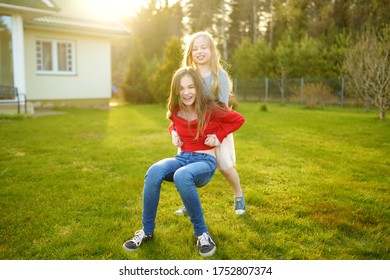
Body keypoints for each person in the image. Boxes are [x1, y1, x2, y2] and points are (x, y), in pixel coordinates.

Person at [123, 67, 245, 257]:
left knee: (182, 175)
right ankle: (146, 231)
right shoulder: (176, 110)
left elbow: (238, 119)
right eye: (182, 88)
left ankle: (202, 233)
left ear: (197, 87)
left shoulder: (211, 107)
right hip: (183, 158)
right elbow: (173, 124)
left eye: (191, 87)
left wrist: (219, 136)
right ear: (176, 91)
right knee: (154, 171)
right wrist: (173, 133)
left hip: (205, 160)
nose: (187, 92)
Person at [172, 31, 246, 216]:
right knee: (185, 169)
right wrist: (174, 129)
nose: (199, 51)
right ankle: (188, 204)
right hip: (192, 131)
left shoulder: (218, 77)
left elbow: (222, 112)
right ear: (190, 53)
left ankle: (239, 195)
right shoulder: (189, 75)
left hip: (214, 131)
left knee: (225, 167)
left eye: (203, 47)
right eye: (195, 48)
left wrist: (218, 136)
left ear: (211, 50)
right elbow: (177, 109)